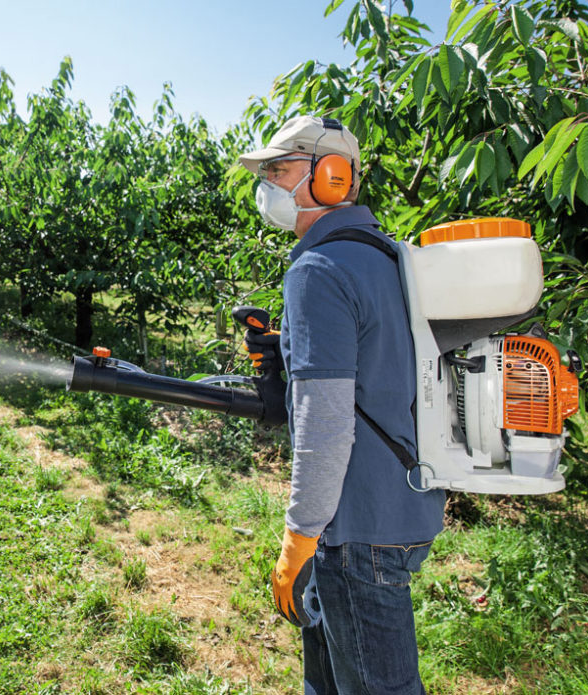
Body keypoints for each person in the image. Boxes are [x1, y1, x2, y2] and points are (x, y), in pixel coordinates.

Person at [239, 115, 445, 695]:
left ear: (330, 176)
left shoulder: (317, 269)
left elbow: (327, 425)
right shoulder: (385, 257)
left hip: (354, 529)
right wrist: (289, 349)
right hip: (399, 504)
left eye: (279, 170)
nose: (269, 186)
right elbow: (378, 364)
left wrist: (299, 539)